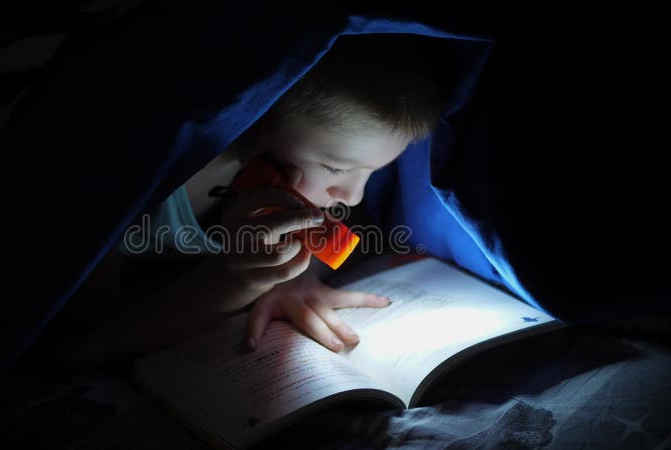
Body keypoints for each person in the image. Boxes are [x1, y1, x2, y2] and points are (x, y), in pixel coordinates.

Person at [48, 33, 454, 369]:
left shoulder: (286, 172)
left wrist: (297, 276)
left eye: (373, 171)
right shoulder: (135, 183)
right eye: (335, 168)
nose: (352, 196)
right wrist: (237, 282)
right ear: (256, 120)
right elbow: (88, 340)